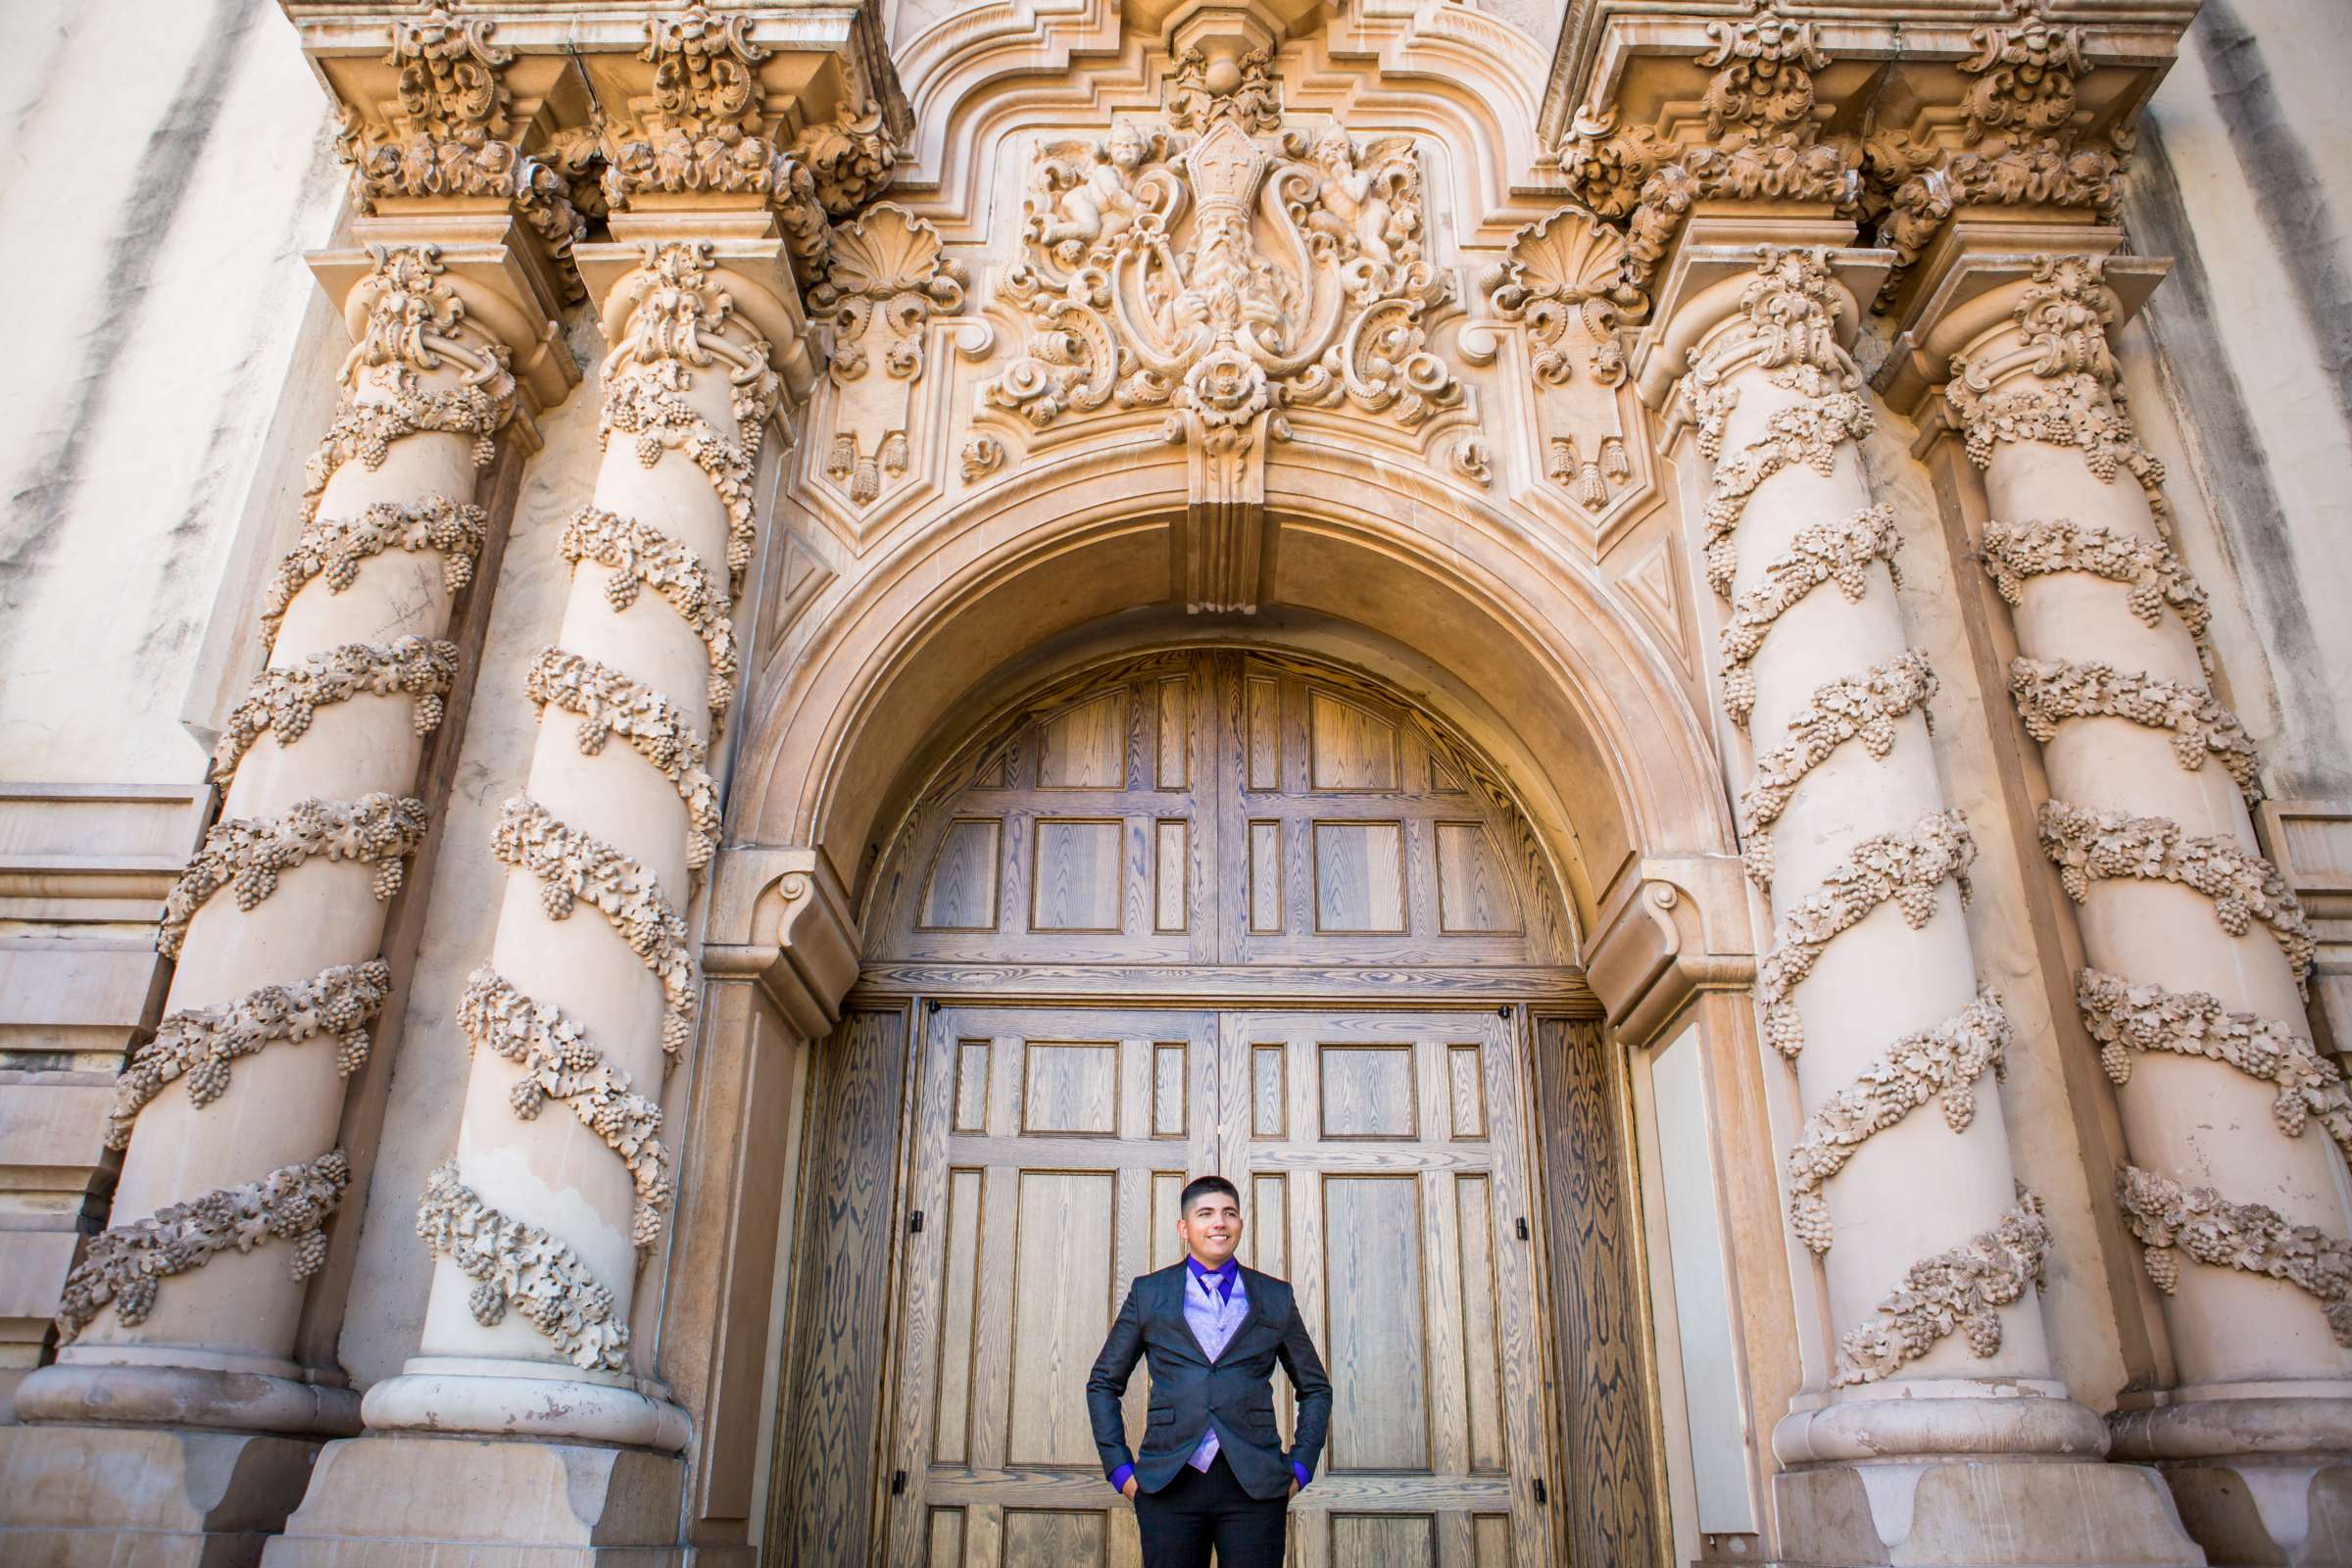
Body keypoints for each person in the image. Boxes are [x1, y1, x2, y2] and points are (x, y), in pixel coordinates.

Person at [1085, 1175, 1333, 1568]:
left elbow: (1316, 1388)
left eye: (1229, 1213)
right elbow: (1103, 1383)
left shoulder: (1274, 1296)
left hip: (1255, 1486)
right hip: (1168, 1484)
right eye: (1206, 1213)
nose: (1220, 1222)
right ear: (1185, 1228)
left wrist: (1300, 1467)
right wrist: (1120, 1471)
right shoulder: (1149, 1293)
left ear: (1239, 1224)